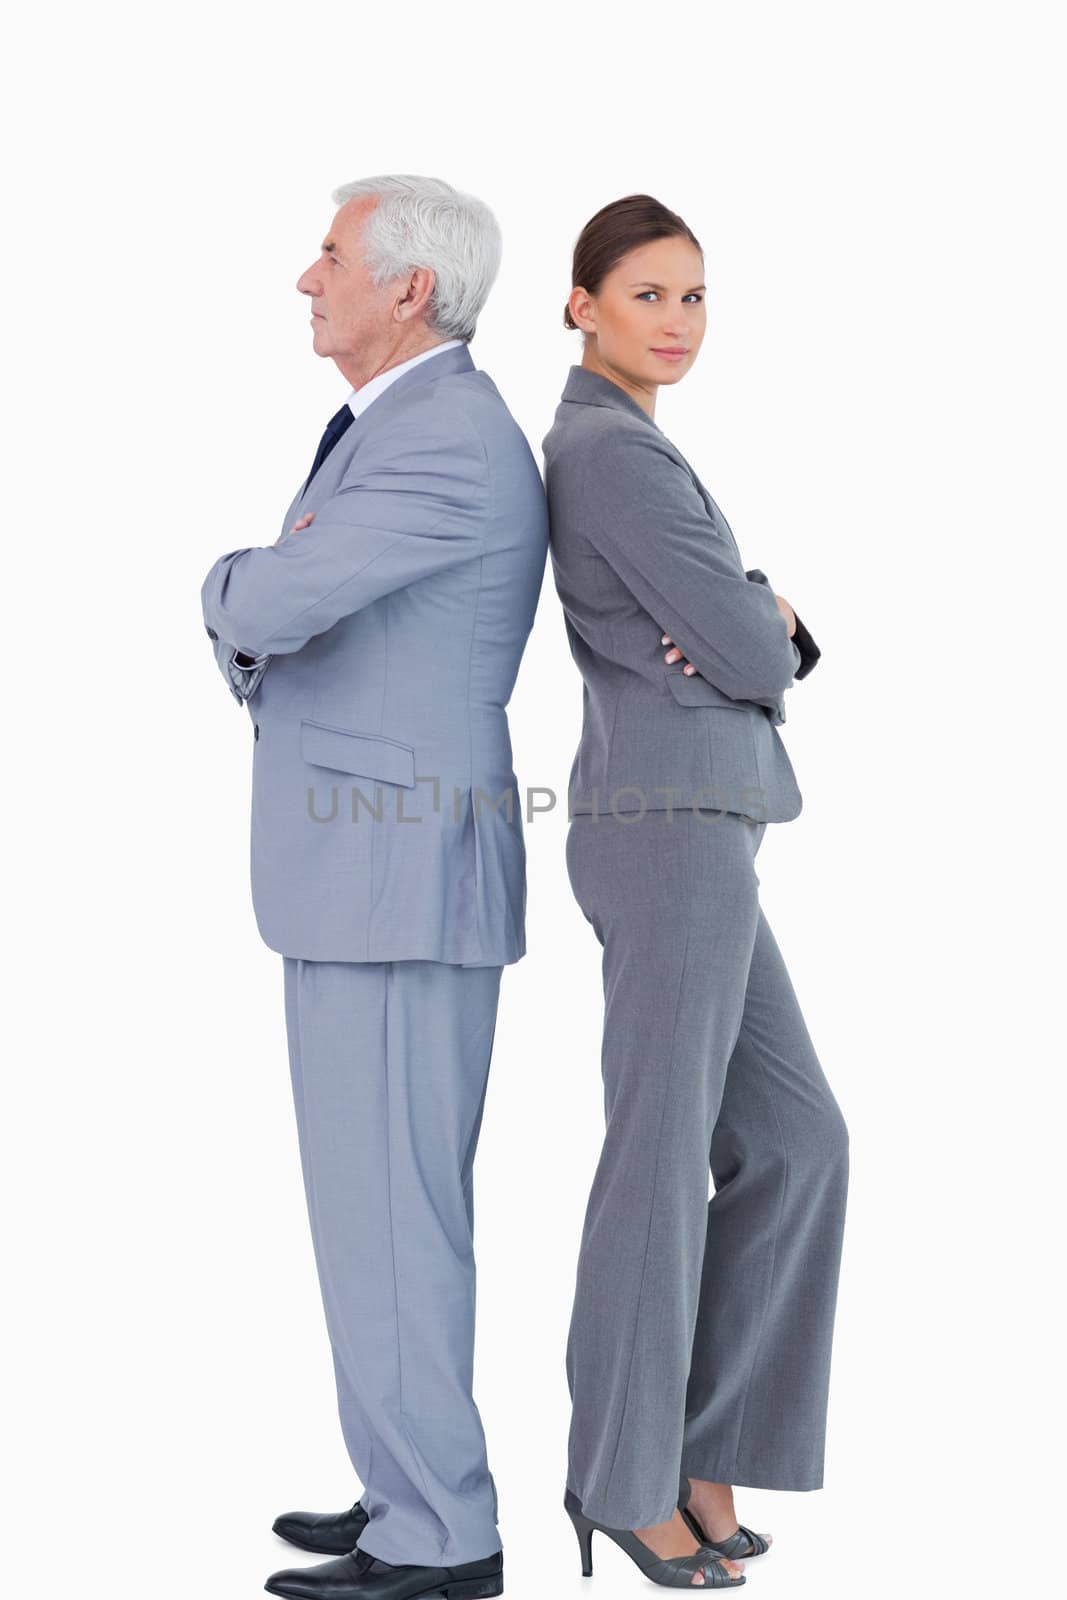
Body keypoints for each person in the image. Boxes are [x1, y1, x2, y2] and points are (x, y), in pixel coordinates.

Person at [201, 173, 548, 1600]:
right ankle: (408, 1485)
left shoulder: (448, 438)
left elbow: (279, 600)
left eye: (332, 256)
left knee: (396, 1215)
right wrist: (276, 584)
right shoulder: (401, 429)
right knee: (374, 1207)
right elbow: (309, 595)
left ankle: (442, 1535)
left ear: (411, 287)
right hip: (372, 872)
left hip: (399, 878)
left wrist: (229, 582)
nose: (307, 279)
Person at [541, 193, 850, 1591]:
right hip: (668, 829)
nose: (675, 324)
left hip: (703, 825)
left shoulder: (643, 449)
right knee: (659, 1163)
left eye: (694, 297)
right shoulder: (609, 453)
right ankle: (619, 1477)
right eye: (647, 295)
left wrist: (743, 610)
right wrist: (757, 609)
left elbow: (732, 634)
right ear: (580, 304)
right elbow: (753, 649)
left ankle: (704, 1448)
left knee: (798, 1142)